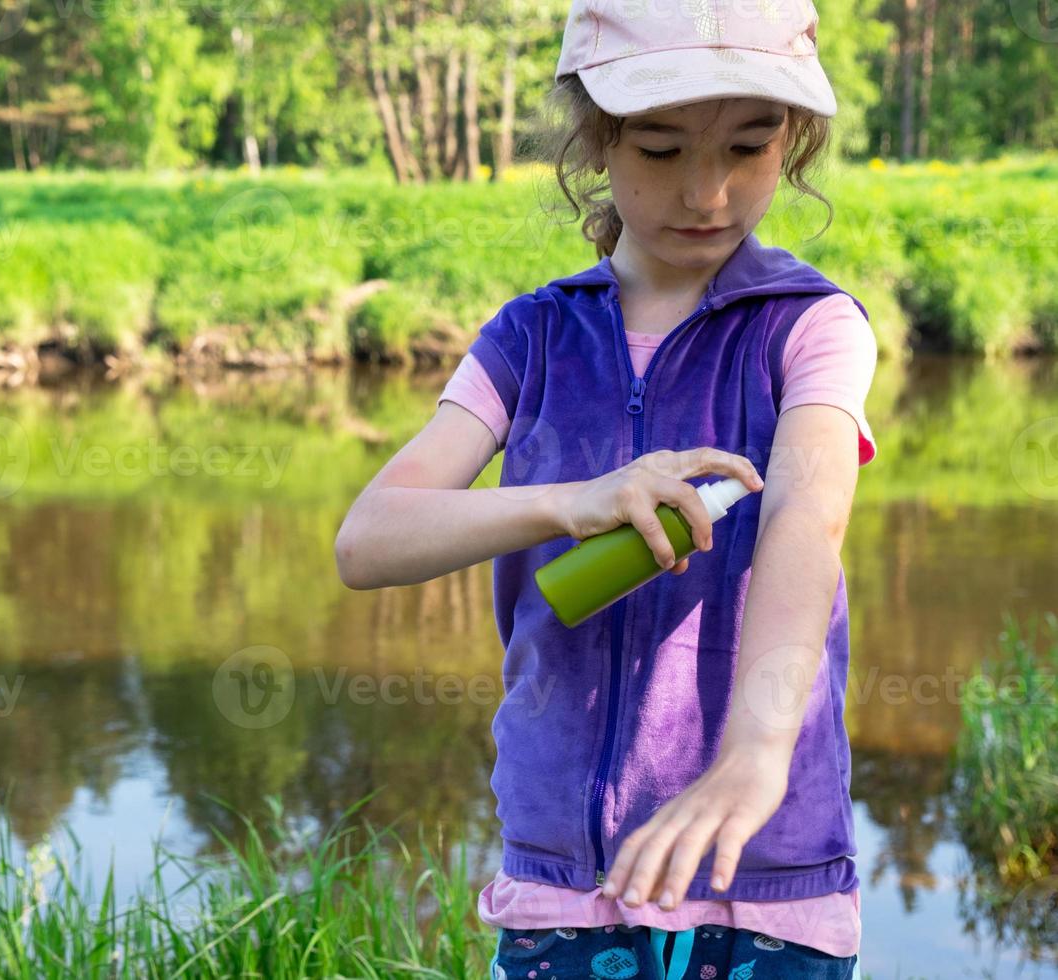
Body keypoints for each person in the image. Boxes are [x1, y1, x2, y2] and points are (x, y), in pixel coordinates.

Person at [333, 2, 880, 977]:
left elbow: (807, 512)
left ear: (791, 142)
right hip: (566, 876)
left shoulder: (811, 327)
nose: (707, 192)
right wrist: (571, 499)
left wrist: (754, 754)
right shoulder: (528, 338)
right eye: (662, 149)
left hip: (764, 871)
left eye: (749, 148)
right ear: (595, 136)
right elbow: (369, 538)